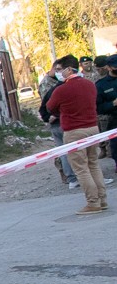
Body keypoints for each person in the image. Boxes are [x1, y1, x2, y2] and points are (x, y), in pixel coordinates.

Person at [48, 54, 108, 214]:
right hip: (93, 128)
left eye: (61, 70)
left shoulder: (61, 90)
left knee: (81, 168)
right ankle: (102, 199)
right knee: (93, 164)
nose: (59, 73)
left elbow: (50, 107)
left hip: (74, 131)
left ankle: (92, 202)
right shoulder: (89, 85)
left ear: (69, 69)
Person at [39, 59, 79, 188]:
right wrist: (51, 116)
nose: (59, 72)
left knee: (65, 151)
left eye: (60, 70)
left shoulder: (58, 85)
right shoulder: (52, 85)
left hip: (59, 121)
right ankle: (73, 177)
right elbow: (48, 105)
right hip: (62, 122)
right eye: (57, 70)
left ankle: (71, 177)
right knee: (71, 151)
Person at [97, 54, 117, 166]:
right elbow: (98, 108)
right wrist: (113, 103)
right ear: (108, 67)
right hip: (114, 121)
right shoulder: (101, 85)